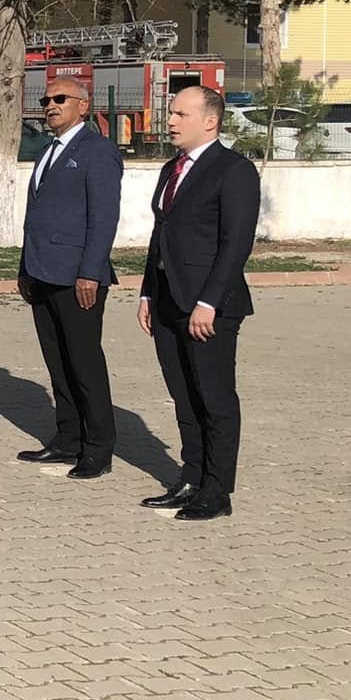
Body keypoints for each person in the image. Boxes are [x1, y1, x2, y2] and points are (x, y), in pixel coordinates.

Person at [138, 85, 259, 522]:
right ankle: (190, 477)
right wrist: (149, 292)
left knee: (214, 397)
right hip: (169, 301)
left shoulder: (234, 170)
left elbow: (235, 244)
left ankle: (216, 490)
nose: (170, 120)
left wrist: (208, 301)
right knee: (184, 396)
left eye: (180, 114)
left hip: (210, 307)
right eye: (171, 112)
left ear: (210, 120)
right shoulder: (171, 168)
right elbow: (161, 237)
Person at [16, 71, 124, 480]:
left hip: (77, 276)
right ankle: (67, 439)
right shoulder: (49, 151)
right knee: (57, 362)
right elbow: (37, 216)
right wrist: (25, 267)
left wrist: (90, 272)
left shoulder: (97, 151)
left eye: (60, 99)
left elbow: (103, 218)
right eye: (46, 100)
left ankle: (98, 448)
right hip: (42, 272)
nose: (50, 106)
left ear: (83, 106)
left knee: (84, 363)